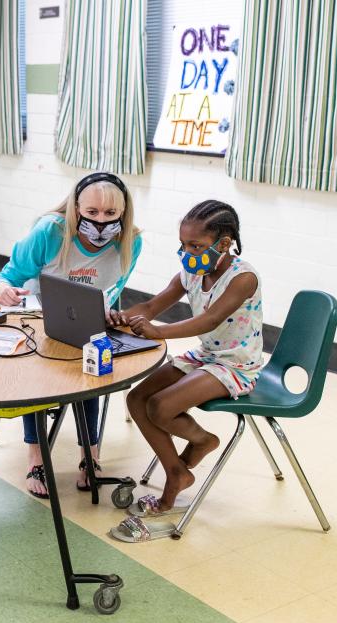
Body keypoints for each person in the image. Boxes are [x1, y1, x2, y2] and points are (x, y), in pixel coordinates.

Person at [0, 173, 142, 499]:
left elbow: (113, 289)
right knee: (37, 376)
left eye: (110, 214)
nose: (101, 222)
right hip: (39, 316)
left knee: (92, 370)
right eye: (91, 213)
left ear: (123, 212)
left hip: (86, 322)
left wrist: (108, 311)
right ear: (76, 208)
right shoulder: (51, 231)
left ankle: (91, 458)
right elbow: (7, 275)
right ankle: (36, 460)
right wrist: (3, 290)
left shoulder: (132, 241)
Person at [117, 200, 263, 534]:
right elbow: (153, 305)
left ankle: (202, 441)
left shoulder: (243, 278)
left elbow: (208, 320)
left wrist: (158, 331)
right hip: (206, 356)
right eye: (183, 244)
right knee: (137, 399)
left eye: (195, 245)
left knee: (161, 406)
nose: (186, 252)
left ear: (224, 244)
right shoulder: (192, 272)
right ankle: (178, 471)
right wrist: (124, 316)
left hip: (236, 363)